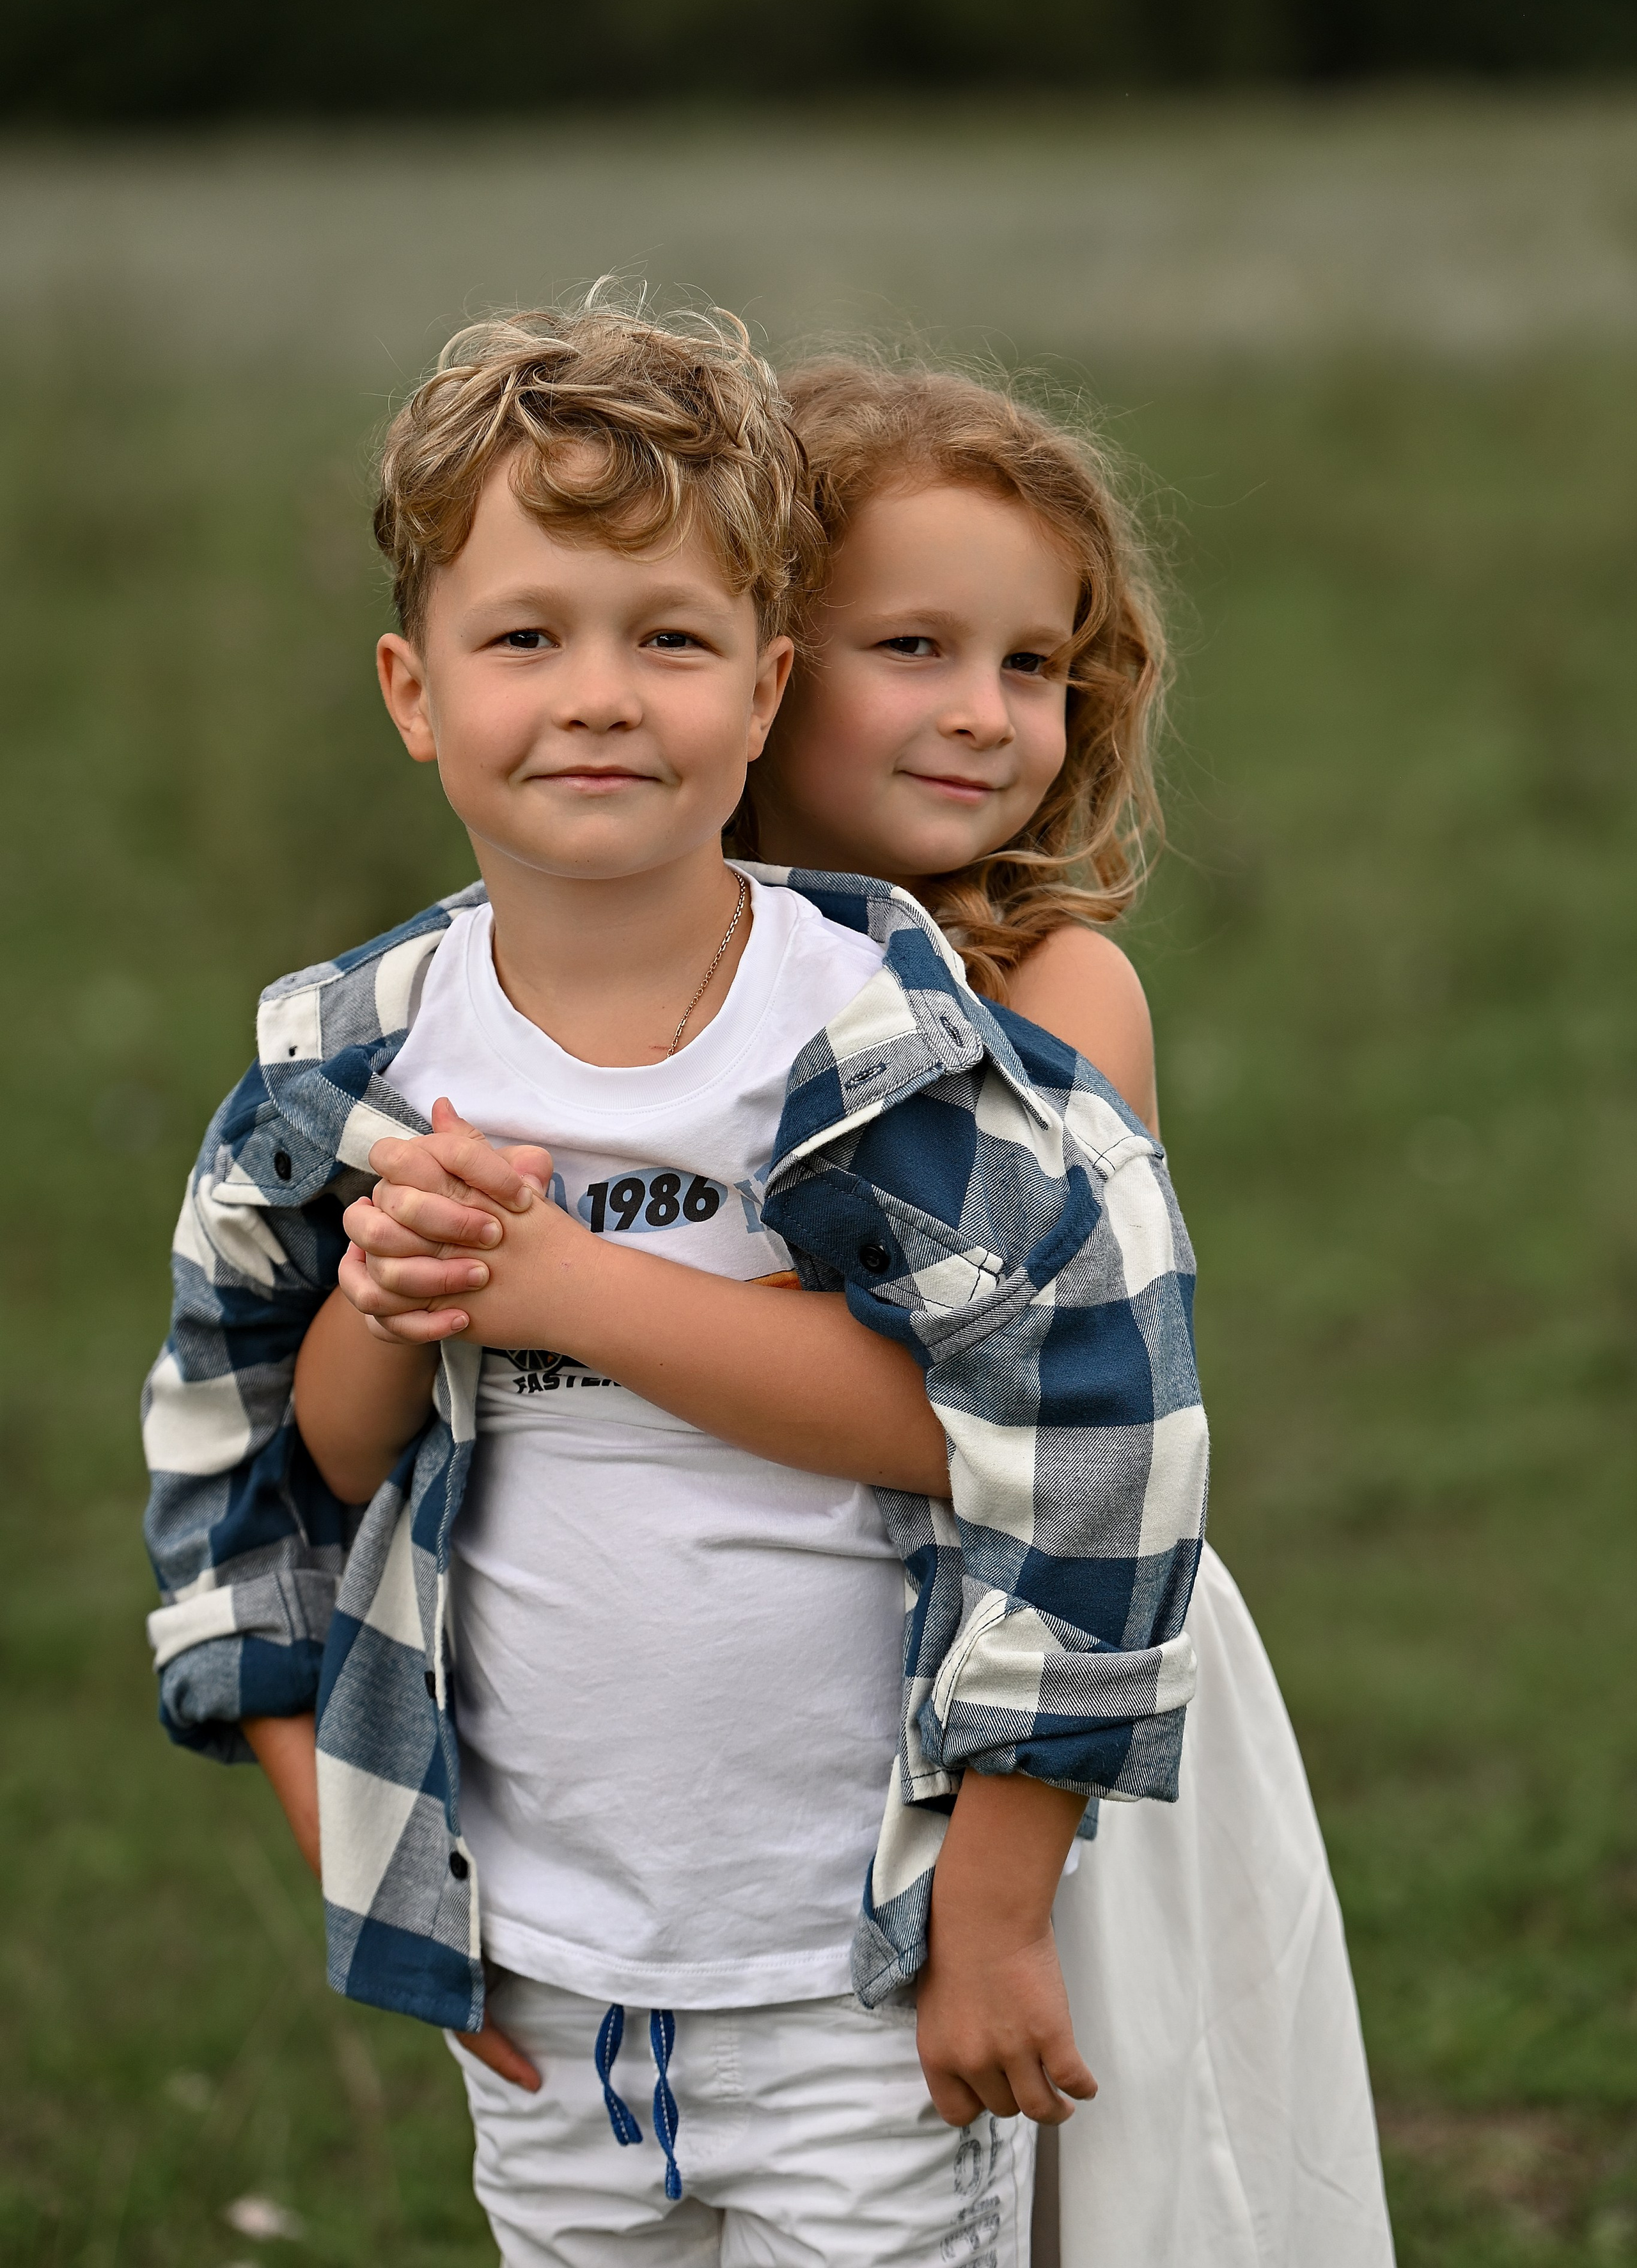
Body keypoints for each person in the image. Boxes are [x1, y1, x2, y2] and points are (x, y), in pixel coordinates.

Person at [140, 299, 1209, 2265]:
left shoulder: (914, 1042)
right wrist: (355, 1844)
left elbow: (1073, 1441)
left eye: (668, 640)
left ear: (755, 678)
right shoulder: (356, 1057)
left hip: (870, 1931)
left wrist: (982, 1916)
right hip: (544, 1958)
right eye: (529, 637)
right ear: (412, 685)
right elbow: (263, 1470)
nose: (601, 695)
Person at [368, 352, 1396, 2265]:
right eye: (913, 646)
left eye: (1035, 666)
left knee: (1082, 2185)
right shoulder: (623, 973)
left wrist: (565, 1283)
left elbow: (977, 1425)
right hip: (689, 1785)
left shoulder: (1051, 993)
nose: (987, 716)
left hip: (1023, 1711)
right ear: (764, 661)